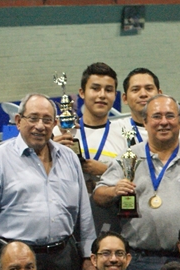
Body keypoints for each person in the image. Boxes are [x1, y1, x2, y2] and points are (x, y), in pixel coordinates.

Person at [0, 93, 97, 270]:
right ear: (18, 121)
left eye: (47, 120)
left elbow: (84, 214)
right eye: (33, 118)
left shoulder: (69, 158)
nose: (40, 126)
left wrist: (88, 256)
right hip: (14, 260)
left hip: (63, 260)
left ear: (55, 124)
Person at [94, 94, 180, 270]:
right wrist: (114, 191)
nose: (164, 122)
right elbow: (99, 195)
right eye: (156, 116)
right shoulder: (129, 156)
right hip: (138, 260)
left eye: (170, 116)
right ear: (145, 122)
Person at [52, 63, 129, 235]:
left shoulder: (124, 134)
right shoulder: (60, 132)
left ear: (115, 95)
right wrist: (50, 152)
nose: (102, 95)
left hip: (111, 220)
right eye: (95, 88)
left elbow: (134, 180)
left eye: (108, 90)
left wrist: (106, 170)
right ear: (82, 93)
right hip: (67, 221)